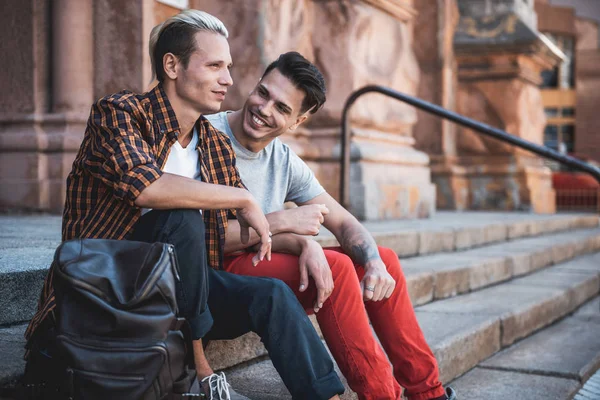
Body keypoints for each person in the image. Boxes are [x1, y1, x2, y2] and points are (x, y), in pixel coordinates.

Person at [23, 12, 345, 400]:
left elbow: (226, 231)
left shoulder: (213, 143)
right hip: (103, 291)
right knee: (180, 215)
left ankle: (326, 395)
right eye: (214, 66)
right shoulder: (120, 113)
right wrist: (242, 196)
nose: (228, 79)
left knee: (272, 295)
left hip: (179, 292)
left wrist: (302, 241)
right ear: (171, 65)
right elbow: (145, 187)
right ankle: (195, 371)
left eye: (227, 67)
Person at [206, 52, 458, 400]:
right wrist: (286, 227)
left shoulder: (283, 159)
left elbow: (344, 222)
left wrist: (372, 263)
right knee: (336, 267)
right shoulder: (205, 135)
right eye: (263, 93)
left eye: (282, 108)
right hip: (216, 272)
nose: (265, 109)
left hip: (258, 261)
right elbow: (201, 238)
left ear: (299, 121)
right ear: (254, 85)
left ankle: (429, 394)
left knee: (383, 259)